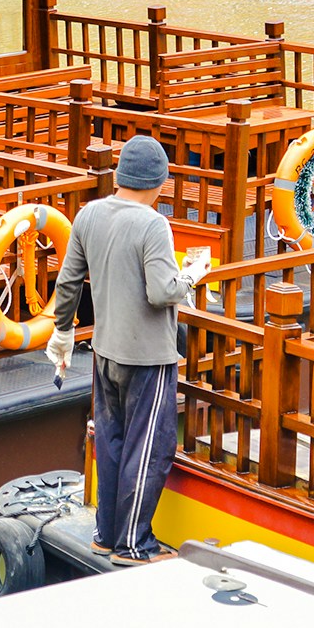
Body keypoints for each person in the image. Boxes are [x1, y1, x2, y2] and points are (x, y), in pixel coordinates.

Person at [46, 135, 207, 565]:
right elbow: (161, 291)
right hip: (148, 358)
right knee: (150, 448)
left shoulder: (88, 214)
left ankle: (106, 534)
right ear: (159, 183)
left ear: (118, 176)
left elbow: (67, 283)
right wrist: (192, 276)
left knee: (113, 443)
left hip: (105, 350)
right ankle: (134, 546)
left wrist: (62, 333)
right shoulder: (153, 224)